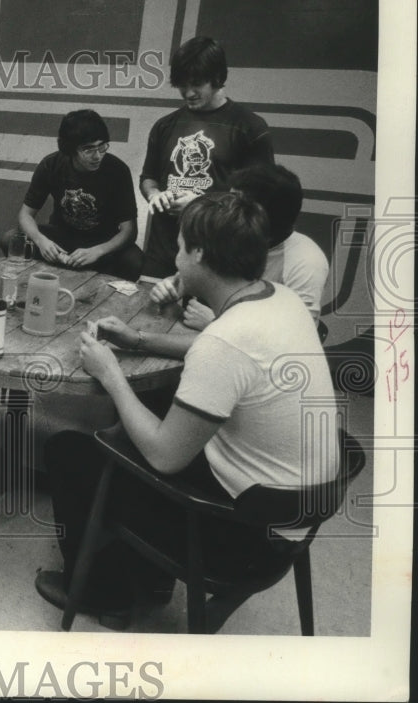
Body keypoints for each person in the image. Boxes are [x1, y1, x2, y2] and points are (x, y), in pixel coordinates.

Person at [36, 192, 340, 629]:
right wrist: (138, 341)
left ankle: (105, 594)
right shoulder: (279, 299)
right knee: (159, 401)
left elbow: (165, 456)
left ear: (198, 252)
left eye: (180, 247)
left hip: (245, 535)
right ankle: (149, 576)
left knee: (68, 452)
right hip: (297, 510)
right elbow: (215, 347)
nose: (176, 260)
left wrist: (110, 374)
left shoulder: (227, 342)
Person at [140, 36, 274, 277]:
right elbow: (148, 177)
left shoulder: (250, 128)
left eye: (197, 83)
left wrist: (200, 203)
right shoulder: (164, 126)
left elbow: (257, 201)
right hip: (162, 254)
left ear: (217, 78)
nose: (188, 92)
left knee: (199, 316)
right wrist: (155, 194)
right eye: (182, 84)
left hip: (216, 259)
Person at [149, 163, 330, 334]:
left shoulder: (307, 261)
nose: (227, 208)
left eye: (236, 204)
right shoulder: (230, 233)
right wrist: (173, 287)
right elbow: (194, 277)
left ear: (259, 216)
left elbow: (295, 338)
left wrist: (218, 322)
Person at [7, 109, 143, 280]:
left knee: (134, 261)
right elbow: (25, 215)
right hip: (62, 238)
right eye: (88, 149)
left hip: (101, 242)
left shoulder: (118, 170)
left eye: (102, 147)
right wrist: (42, 241)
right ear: (70, 149)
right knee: (10, 239)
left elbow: (129, 231)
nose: (97, 156)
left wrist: (98, 251)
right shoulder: (51, 165)